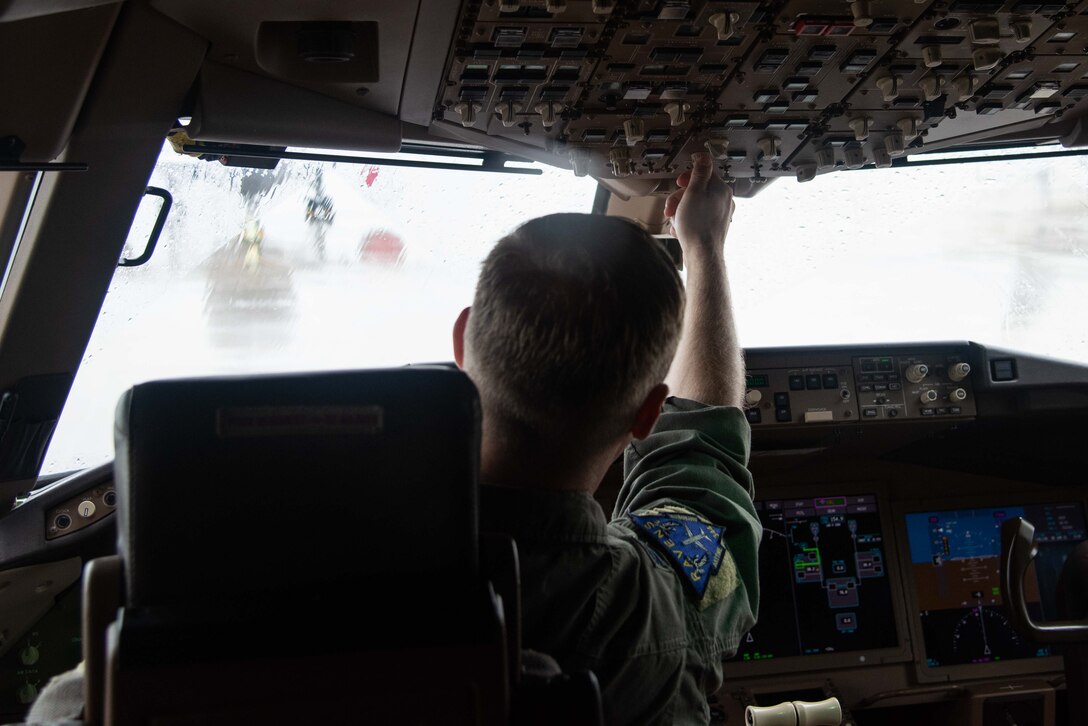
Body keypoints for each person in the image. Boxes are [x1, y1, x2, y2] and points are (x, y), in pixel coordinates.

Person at [451, 151, 761, 724]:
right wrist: (704, 249)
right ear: (646, 416)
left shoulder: (326, 542)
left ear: (464, 340)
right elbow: (702, 462)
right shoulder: (651, 615)